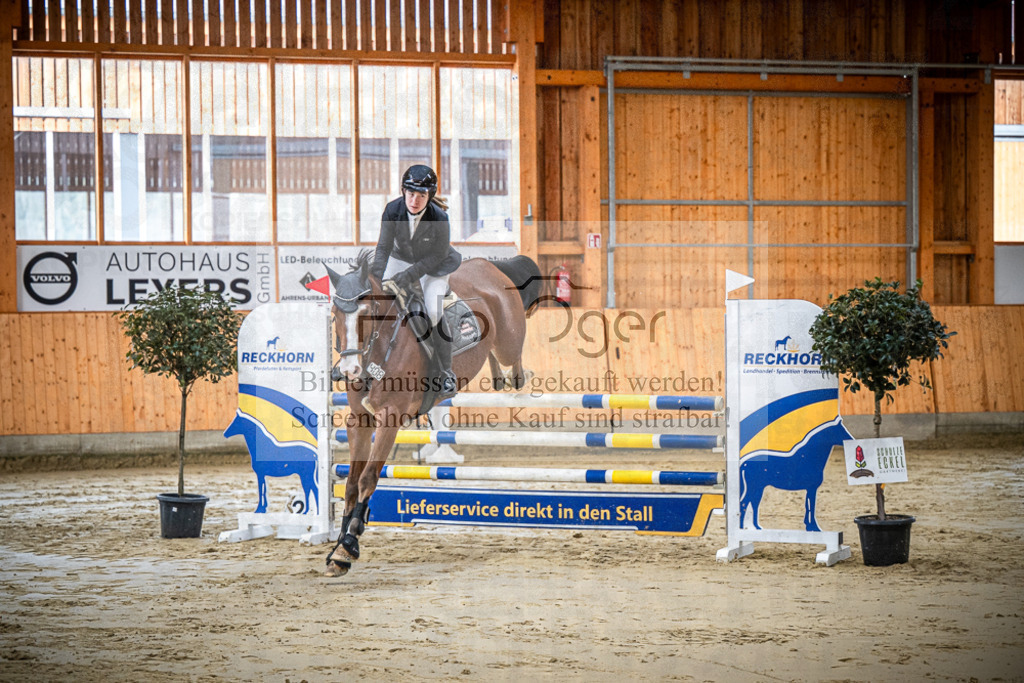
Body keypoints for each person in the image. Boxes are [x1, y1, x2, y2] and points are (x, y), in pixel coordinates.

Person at [370, 164, 461, 398]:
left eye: (421, 195)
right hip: (401, 260)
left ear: (429, 195)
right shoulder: (392, 210)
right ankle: (366, 365)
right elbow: (383, 248)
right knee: (379, 305)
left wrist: (409, 276)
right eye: (411, 194)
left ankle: (445, 372)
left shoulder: (440, 217)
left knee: (432, 311)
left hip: (435, 266)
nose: (415, 200)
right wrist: (375, 282)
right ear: (403, 191)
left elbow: (437, 256)